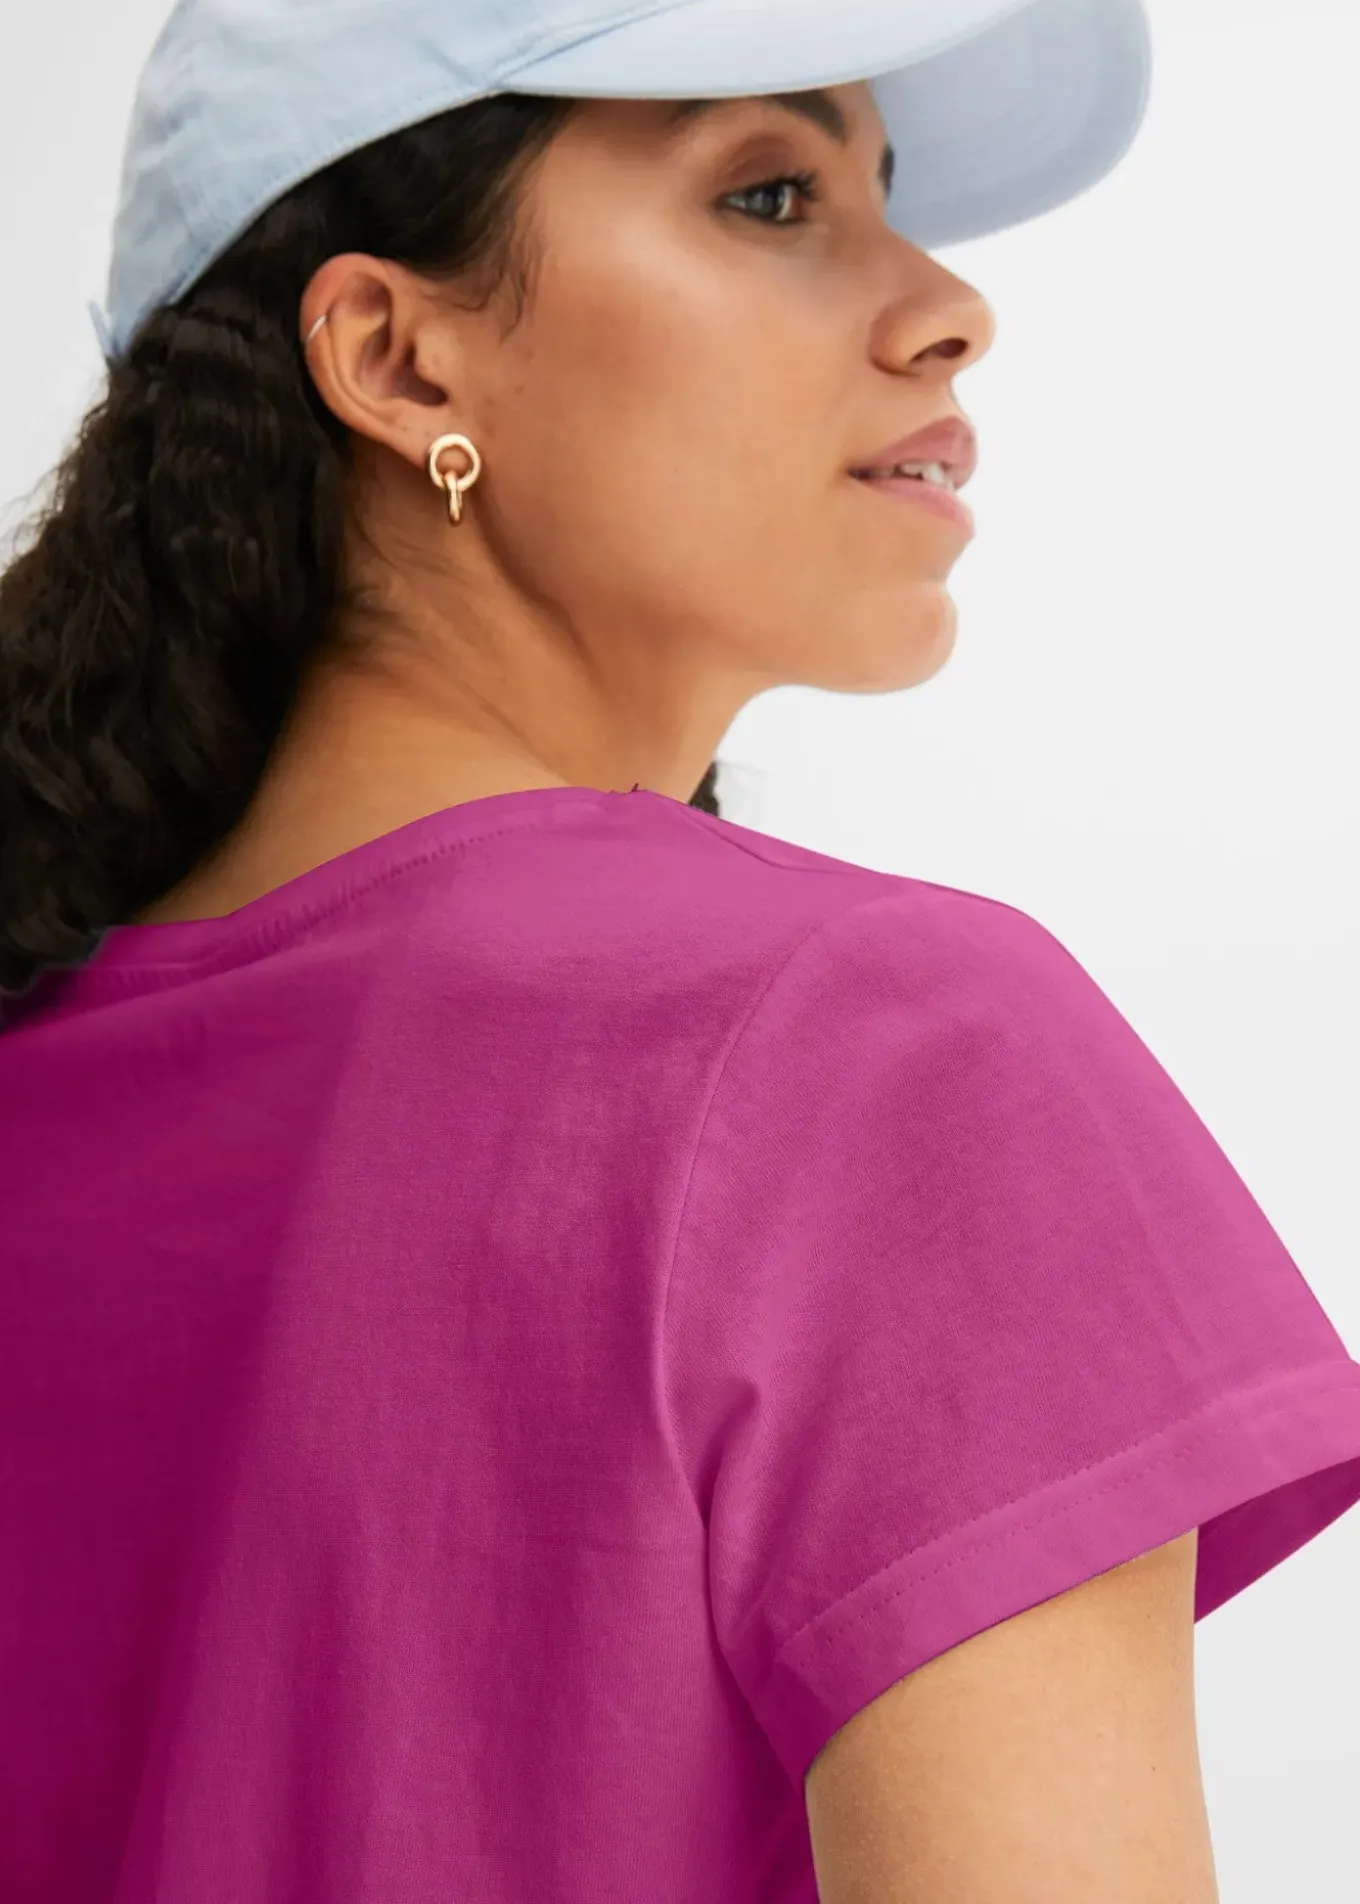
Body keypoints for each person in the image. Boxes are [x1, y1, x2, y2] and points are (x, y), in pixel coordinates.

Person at [1, 3, 1357, 1901]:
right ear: (395, 355)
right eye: (772, 195)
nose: (949, 309)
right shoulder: (877, 1049)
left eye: (882, 194)